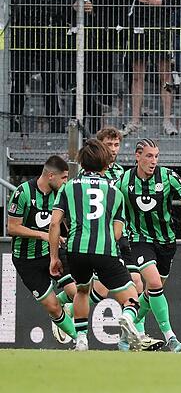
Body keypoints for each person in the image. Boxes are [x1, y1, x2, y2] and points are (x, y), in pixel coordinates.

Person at [48, 140, 147, 351]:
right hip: (105, 250)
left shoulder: (68, 187)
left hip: (75, 250)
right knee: (132, 294)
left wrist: (54, 257)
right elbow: (117, 232)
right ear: (105, 165)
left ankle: (82, 339)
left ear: (82, 163)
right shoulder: (115, 193)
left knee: (82, 291)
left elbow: (55, 222)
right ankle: (127, 318)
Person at [114, 138, 181, 352]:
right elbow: (110, 207)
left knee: (153, 291)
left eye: (156, 156)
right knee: (153, 282)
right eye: (149, 156)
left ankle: (128, 336)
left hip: (166, 242)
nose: (153, 161)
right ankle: (171, 338)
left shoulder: (168, 177)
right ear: (137, 156)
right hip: (139, 241)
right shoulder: (123, 181)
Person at [7, 155, 77, 344]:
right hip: (26, 259)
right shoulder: (23, 193)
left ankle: (79, 335)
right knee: (53, 308)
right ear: (51, 176)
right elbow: (12, 227)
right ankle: (79, 341)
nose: (66, 182)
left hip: (51, 252)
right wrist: (42, 234)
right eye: (64, 178)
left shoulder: (60, 194)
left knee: (76, 292)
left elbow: (64, 221)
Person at [122, 0, 181, 136]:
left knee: (165, 73)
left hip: (160, 24)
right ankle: (135, 120)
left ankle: (167, 120)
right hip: (138, 22)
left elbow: (178, 0)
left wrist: (158, 2)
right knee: (137, 73)